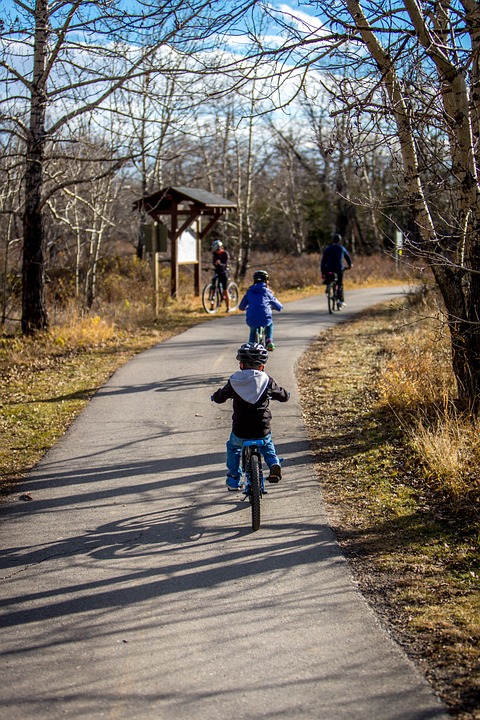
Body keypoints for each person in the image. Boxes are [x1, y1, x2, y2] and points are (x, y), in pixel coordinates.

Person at [211, 342, 290, 491]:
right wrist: (286, 395)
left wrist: (215, 397)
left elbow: (221, 396)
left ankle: (233, 479)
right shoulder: (267, 380)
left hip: (241, 429)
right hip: (262, 428)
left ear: (241, 365)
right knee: (267, 445)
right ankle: (274, 463)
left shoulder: (234, 380)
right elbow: (282, 395)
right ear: (262, 367)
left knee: (233, 447)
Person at [238, 269, 283, 351]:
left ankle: (251, 344)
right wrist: (276, 307)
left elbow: (241, 307)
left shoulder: (249, 291)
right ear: (266, 280)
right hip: (265, 317)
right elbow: (279, 307)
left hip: (252, 318)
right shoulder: (267, 292)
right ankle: (269, 340)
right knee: (270, 324)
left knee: (253, 329)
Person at [320, 233, 353, 306]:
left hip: (328, 268)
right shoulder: (342, 248)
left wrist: (323, 272)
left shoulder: (327, 249)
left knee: (329, 278)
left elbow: (323, 261)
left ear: (332, 241)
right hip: (339, 268)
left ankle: (328, 287)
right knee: (339, 284)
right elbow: (347, 257)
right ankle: (341, 300)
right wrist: (350, 265)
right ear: (340, 241)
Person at [211, 239, 231, 312]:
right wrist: (215, 264)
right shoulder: (215, 254)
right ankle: (212, 306)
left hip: (224, 272)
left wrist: (220, 264)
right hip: (217, 272)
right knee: (213, 287)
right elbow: (213, 262)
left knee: (225, 290)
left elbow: (225, 264)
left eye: (217, 250)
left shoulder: (225, 254)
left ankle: (228, 307)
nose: (216, 251)